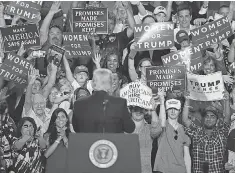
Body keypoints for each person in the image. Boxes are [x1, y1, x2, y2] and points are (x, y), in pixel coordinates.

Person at [72, 68, 135, 133]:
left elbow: (76, 129)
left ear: (93, 84)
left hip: (87, 143)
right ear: (110, 84)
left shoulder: (79, 104)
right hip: (113, 142)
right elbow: (130, 128)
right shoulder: (120, 103)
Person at [183, 91, 231, 173]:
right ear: (203, 119)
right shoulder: (196, 132)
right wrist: (187, 101)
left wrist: (226, 101)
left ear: (217, 119)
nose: (209, 119)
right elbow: (185, 120)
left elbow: (227, 118)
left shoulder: (221, 132)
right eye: (207, 116)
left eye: (212, 116)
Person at [153, 94, 191, 173]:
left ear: (180, 111)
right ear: (166, 110)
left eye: (175, 109)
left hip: (180, 170)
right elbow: (161, 122)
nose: (173, 111)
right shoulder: (162, 126)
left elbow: (187, 156)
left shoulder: (184, 130)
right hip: (162, 170)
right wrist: (162, 102)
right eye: (170, 108)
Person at [44, 108, 71, 173]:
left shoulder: (72, 135)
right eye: (57, 117)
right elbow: (46, 155)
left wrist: (64, 137)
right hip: (51, 169)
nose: (60, 119)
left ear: (67, 119)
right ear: (54, 121)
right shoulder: (47, 135)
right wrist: (59, 138)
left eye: (63, 117)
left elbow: (73, 153)